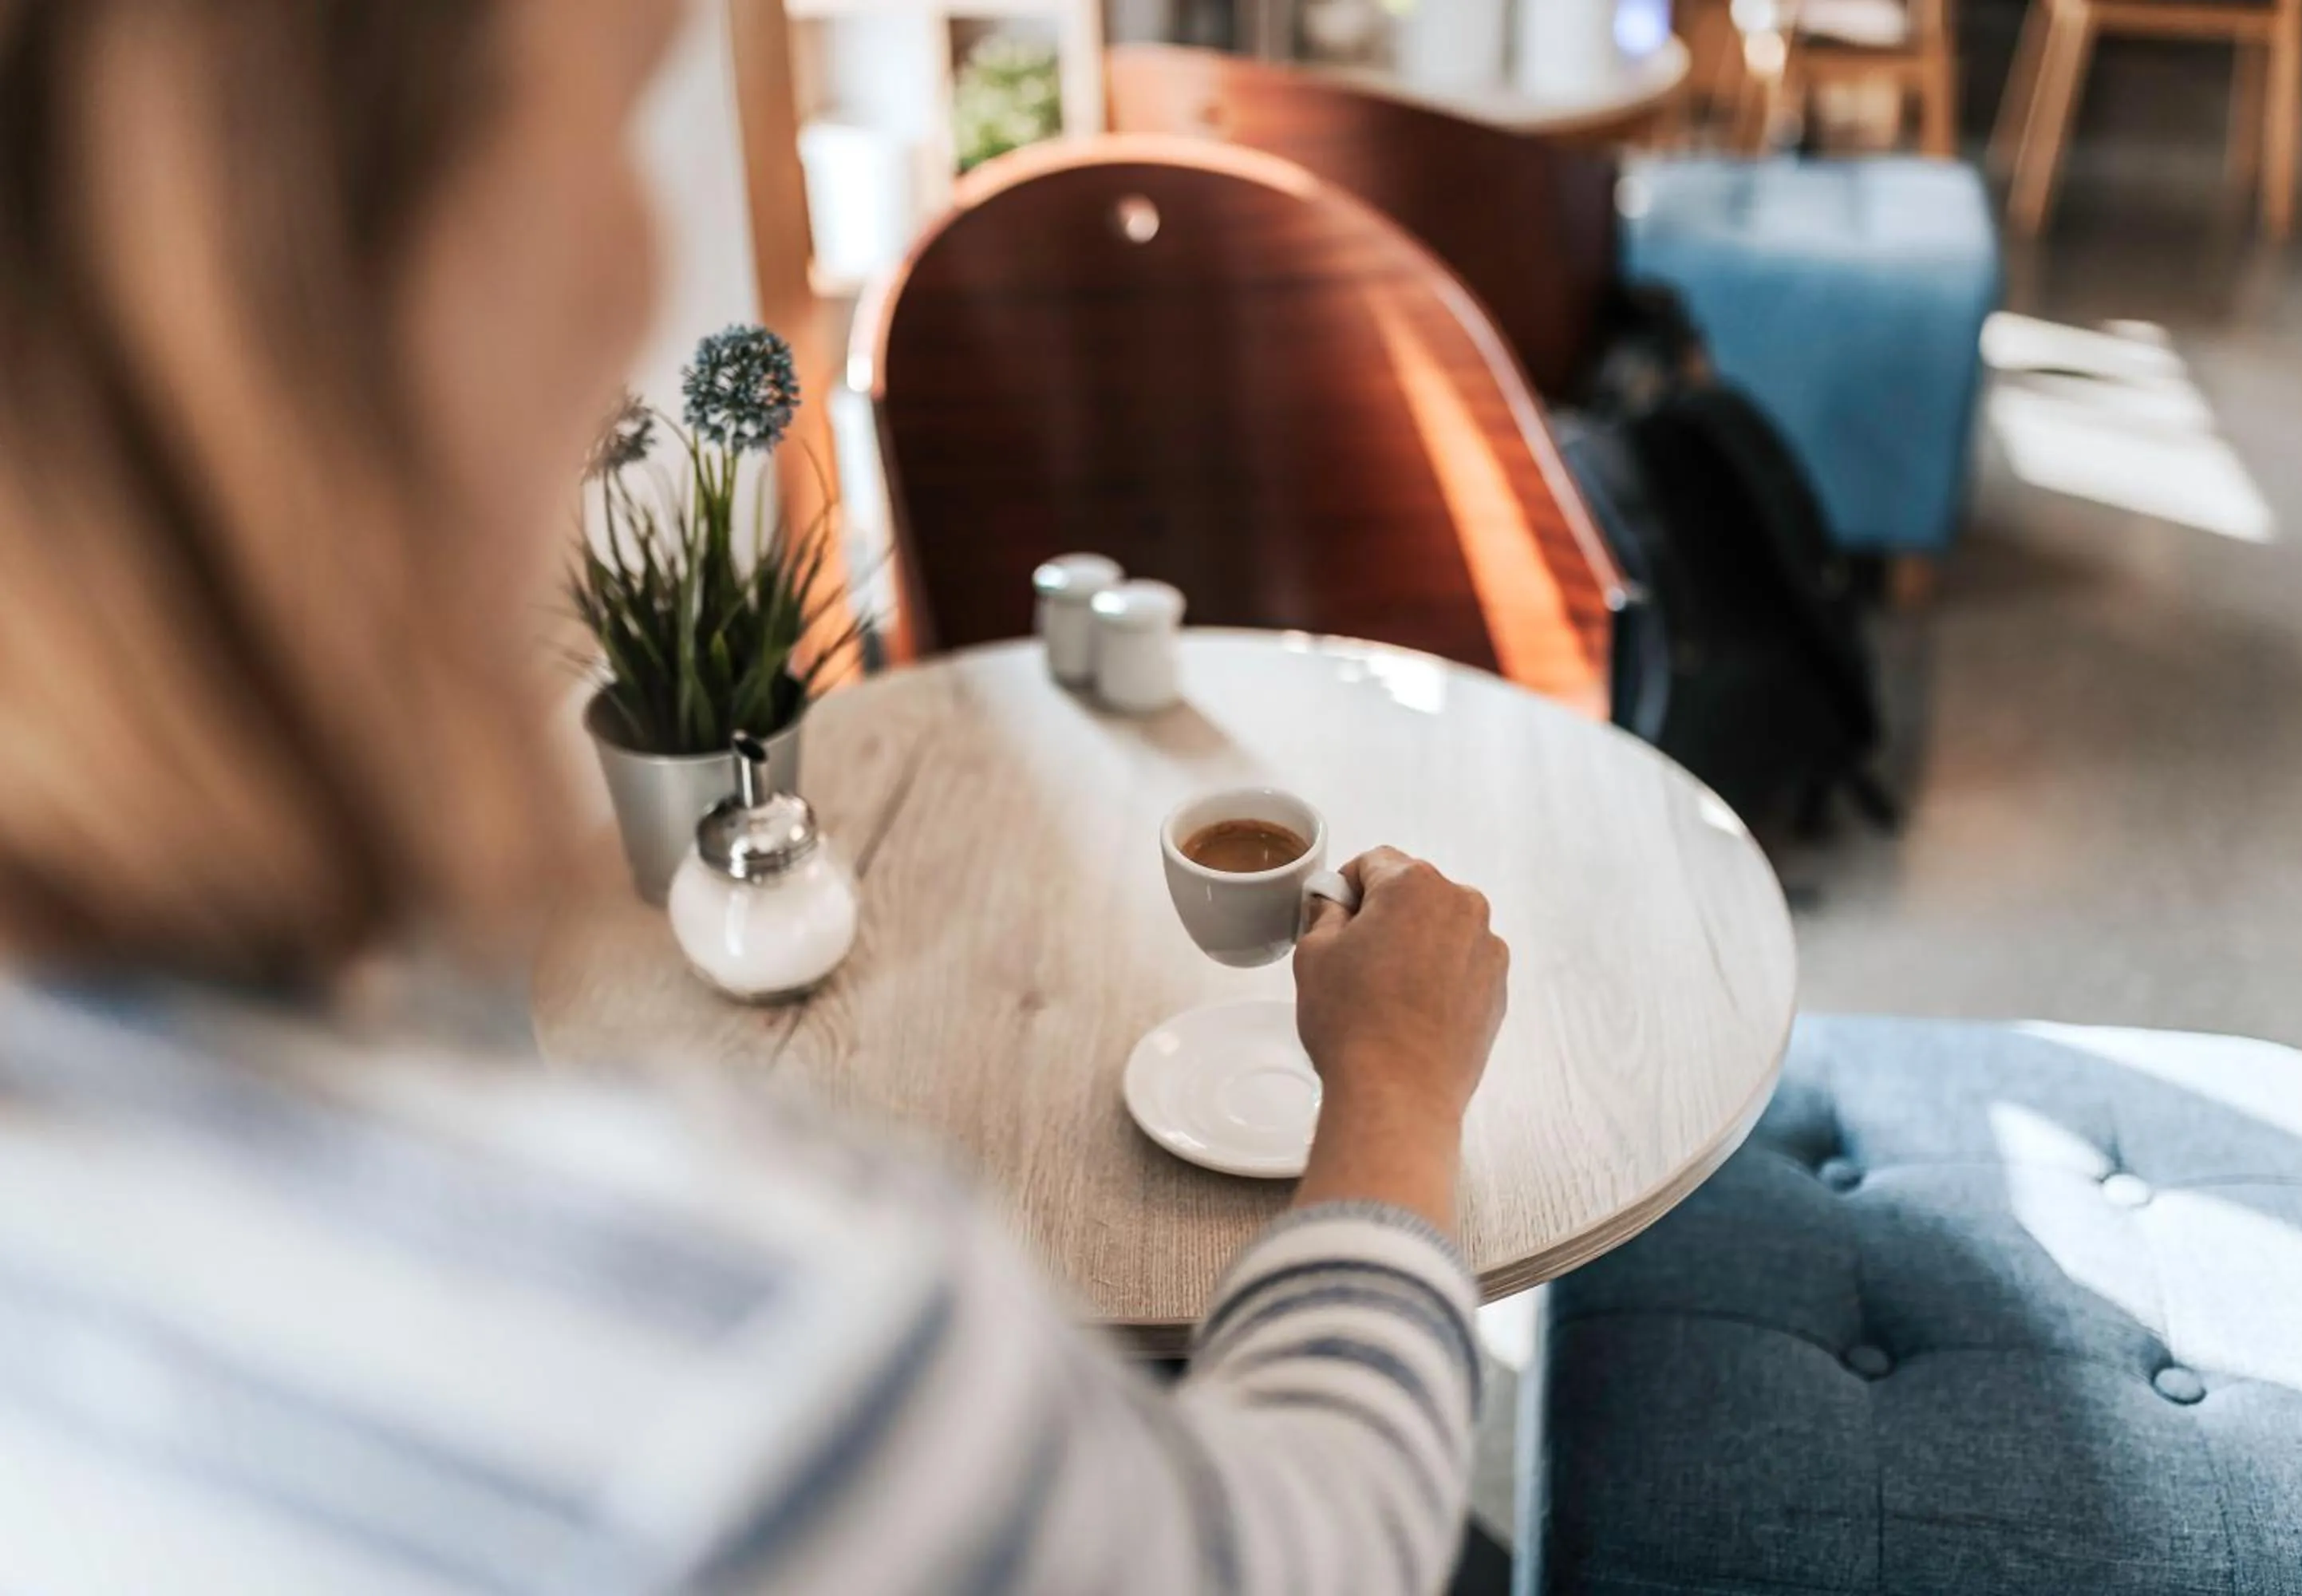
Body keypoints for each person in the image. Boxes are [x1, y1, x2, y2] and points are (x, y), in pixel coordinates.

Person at [0, 2, 1511, 1591]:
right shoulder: (773, 1350)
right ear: (305, 270)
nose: (643, 264)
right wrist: (1400, 1075)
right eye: (610, 124)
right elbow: (1313, 1554)